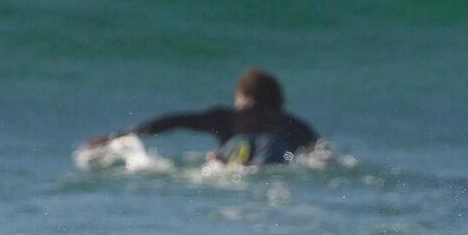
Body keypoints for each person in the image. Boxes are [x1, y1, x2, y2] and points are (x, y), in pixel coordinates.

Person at [85, 68, 318, 167]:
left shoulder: (226, 116)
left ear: (242, 96)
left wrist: (118, 135)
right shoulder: (293, 123)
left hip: (239, 145)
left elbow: (175, 121)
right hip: (276, 147)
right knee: (268, 167)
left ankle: (223, 161)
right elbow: (320, 151)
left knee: (230, 162)